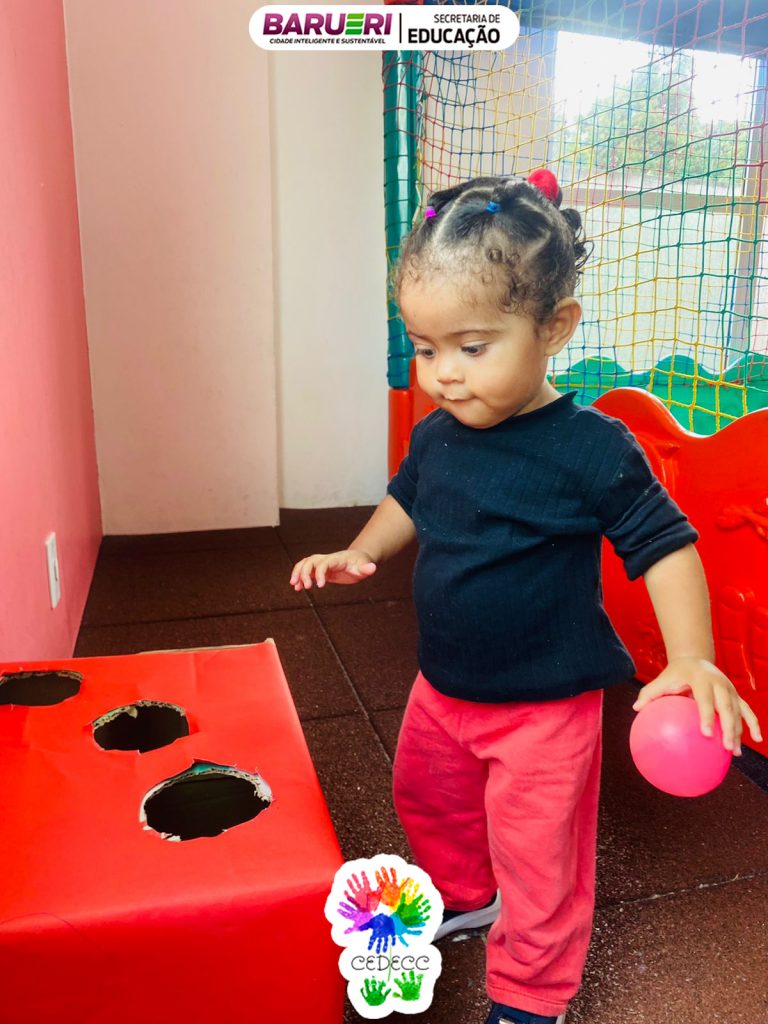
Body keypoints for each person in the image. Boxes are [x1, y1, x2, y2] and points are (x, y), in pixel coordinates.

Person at [289, 170, 763, 1024]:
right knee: (426, 801)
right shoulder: (438, 434)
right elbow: (407, 498)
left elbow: (666, 546)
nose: (443, 375)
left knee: (540, 858)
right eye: (425, 348)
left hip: (545, 708)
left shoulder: (593, 449)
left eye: (472, 347)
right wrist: (362, 549)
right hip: (443, 688)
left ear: (554, 328)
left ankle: (531, 992)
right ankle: (464, 898)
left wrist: (692, 657)